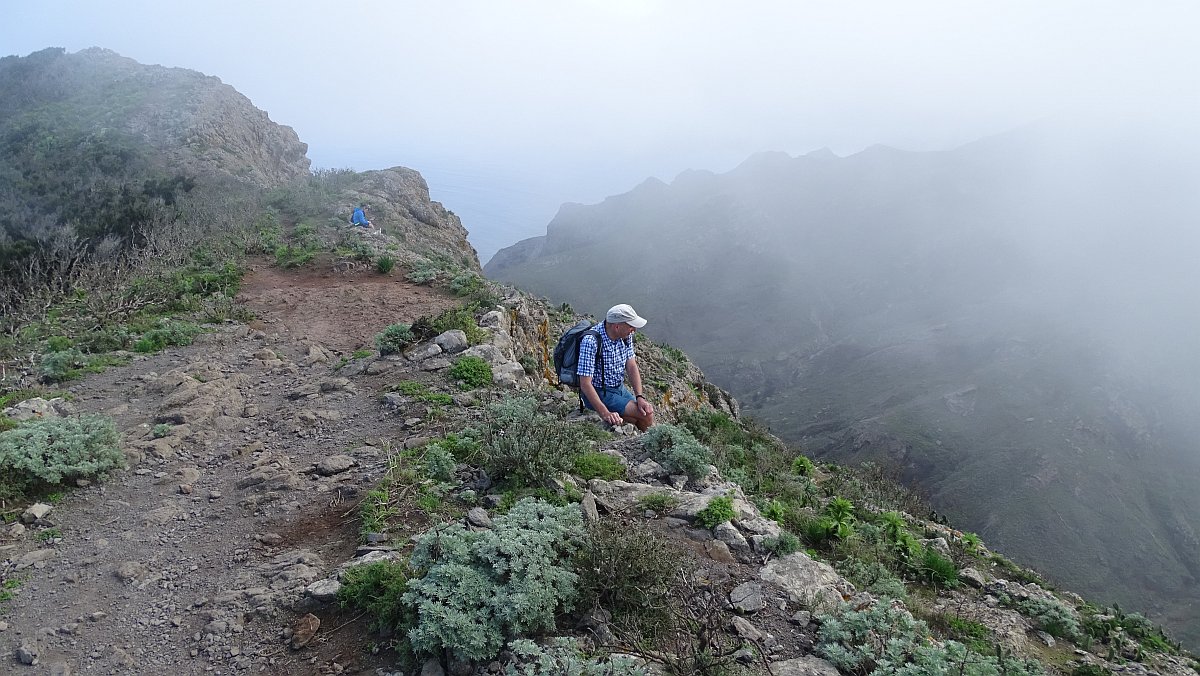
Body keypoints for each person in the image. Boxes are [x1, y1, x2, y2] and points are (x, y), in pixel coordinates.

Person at [577, 304, 656, 431]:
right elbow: (585, 383)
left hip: (618, 388)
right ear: (617, 326)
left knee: (640, 415)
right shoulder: (591, 342)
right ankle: (646, 445)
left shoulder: (625, 337)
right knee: (646, 416)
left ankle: (640, 442)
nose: (634, 330)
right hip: (600, 392)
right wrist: (605, 413)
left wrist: (639, 397)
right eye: (630, 326)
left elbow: (631, 365)